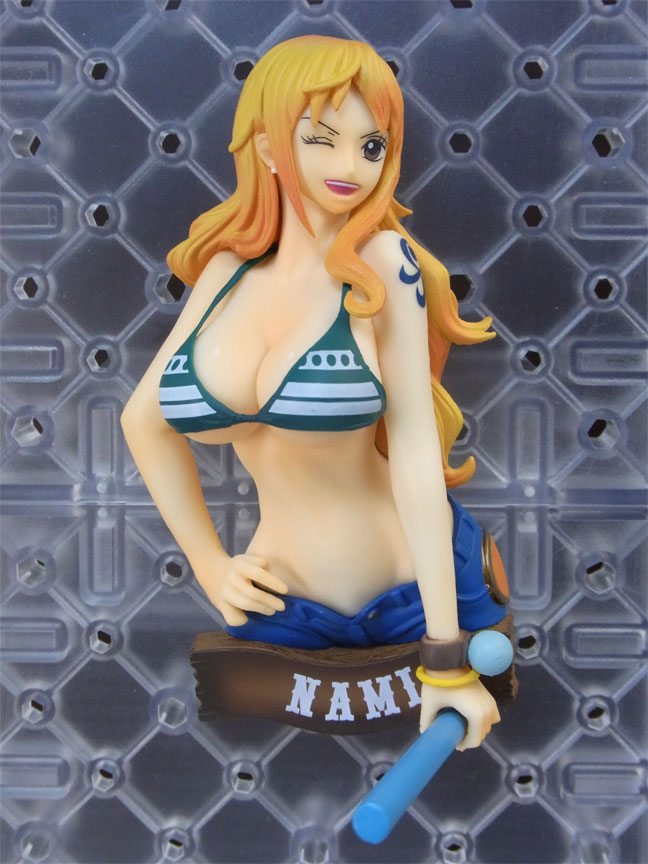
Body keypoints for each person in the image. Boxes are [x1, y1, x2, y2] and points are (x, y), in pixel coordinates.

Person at [121, 35, 507, 749]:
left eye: (371, 146)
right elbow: (143, 421)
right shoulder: (226, 274)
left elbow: (415, 452)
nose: (349, 167)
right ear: (268, 145)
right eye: (321, 140)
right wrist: (210, 564)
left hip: (409, 594)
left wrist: (446, 649)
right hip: (282, 604)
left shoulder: (383, 262)